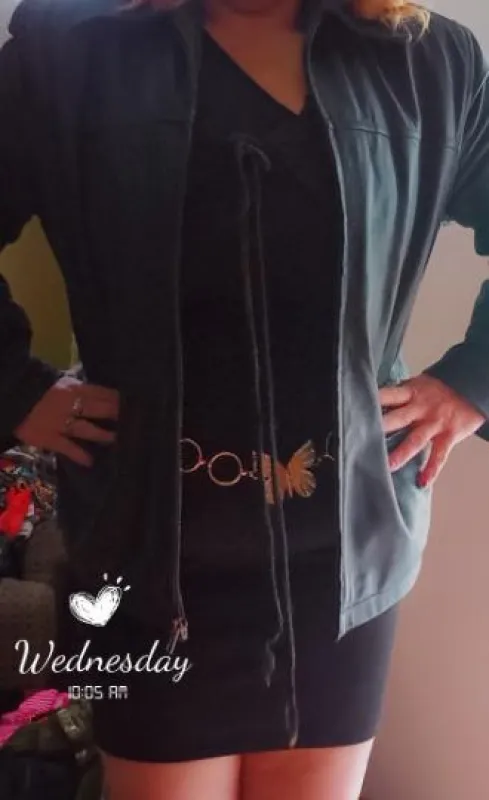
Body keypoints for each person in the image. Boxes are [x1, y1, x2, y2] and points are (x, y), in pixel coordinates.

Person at [1, 0, 489, 797]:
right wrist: (16, 387)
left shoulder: (429, 61)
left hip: (345, 571)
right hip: (140, 561)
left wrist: (471, 383)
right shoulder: (66, 47)